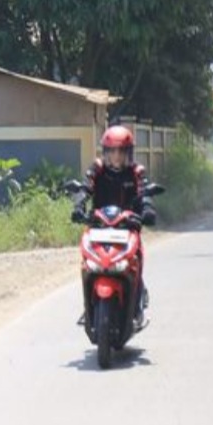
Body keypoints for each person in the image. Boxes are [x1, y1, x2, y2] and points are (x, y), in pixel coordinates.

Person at [72, 125, 157, 322]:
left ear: (129, 153)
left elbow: (144, 194)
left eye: (121, 151)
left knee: (137, 259)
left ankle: (137, 298)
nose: (117, 156)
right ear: (105, 152)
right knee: (88, 264)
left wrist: (147, 210)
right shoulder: (97, 169)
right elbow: (85, 188)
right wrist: (78, 206)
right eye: (112, 151)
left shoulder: (137, 172)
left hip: (127, 227)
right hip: (99, 226)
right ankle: (89, 305)